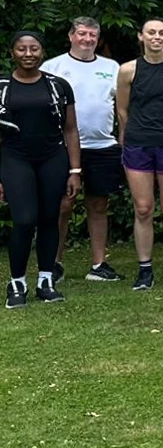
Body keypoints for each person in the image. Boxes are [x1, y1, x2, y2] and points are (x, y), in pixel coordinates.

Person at [0, 30, 80, 306]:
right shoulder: (2, 86)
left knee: (49, 218)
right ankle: (17, 284)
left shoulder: (58, 86)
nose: (28, 54)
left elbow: (70, 130)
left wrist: (75, 170)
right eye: (22, 49)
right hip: (14, 158)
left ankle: (46, 280)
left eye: (34, 49)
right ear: (13, 53)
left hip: (52, 158)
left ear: (42, 53)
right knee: (23, 219)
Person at [116, 18, 163, 290]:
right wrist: (132, 133)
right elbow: (122, 109)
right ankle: (145, 269)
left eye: (162, 32)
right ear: (141, 36)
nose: (157, 37)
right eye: (151, 32)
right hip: (138, 144)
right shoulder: (128, 70)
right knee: (143, 208)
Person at [44, 16, 123, 281]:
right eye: (81, 34)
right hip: (62, 148)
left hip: (102, 146)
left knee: (99, 204)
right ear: (70, 36)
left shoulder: (111, 67)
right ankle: (53, 263)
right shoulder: (52, 66)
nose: (87, 39)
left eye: (92, 34)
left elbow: (122, 108)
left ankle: (99, 265)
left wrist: (123, 139)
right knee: (63, 205)